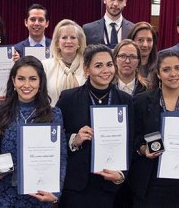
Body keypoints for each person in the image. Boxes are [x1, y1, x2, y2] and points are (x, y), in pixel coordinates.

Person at [56, 44, 132, 207]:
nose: (106, 70)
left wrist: (121, 175)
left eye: (109, 64)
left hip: (111, 187)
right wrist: (74, 140)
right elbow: (55, 138)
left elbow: (131, 142)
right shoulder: (68, 99)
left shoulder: (126, 100)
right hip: (77, 188)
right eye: (98, 65)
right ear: (86, 69)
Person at [0, 56, 67, 207]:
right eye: (21, 79)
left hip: (40, 195)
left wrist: (56, 192)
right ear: (13, 81)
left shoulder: (54, 114)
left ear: (41, 82)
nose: (26, 85)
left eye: (33, 79)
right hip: (6, 195)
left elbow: (61, 155)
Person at [128, 50, 179, 207]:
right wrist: (142, 148)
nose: (173, 74)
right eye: (166, 70)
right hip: (150, 182)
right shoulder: (141, 102)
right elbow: (131, 138)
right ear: (158, 74)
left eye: (178, 68)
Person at [42, 19, 87, 106]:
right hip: (52, 117)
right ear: (57, 43)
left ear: (79, 43)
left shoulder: (88, 66)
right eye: (64, 37)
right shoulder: (45, 66)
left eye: (73, 37)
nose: (69, 41)